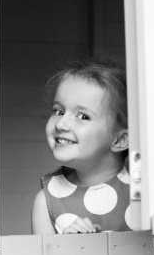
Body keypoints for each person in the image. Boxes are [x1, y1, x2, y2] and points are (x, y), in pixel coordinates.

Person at [31, 55, 131, 235]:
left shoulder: (140, 193)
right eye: (58, 111)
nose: (61, 124)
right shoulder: (46, 202)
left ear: (119, 140)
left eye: (83, 116)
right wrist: (67, 246)